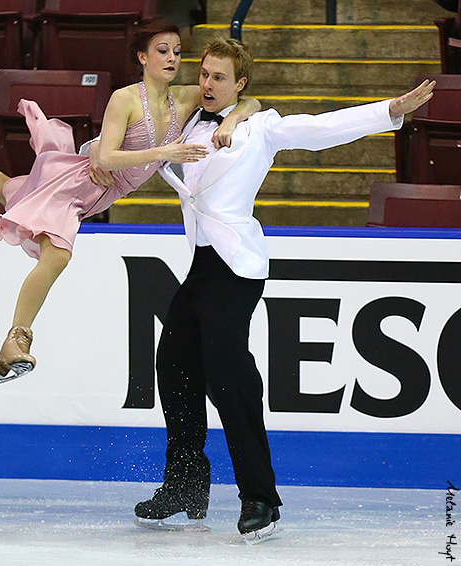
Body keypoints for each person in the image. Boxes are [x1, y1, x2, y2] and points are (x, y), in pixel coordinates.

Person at [129, 37, 435, 543]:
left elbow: (319, 129)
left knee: (229, 376)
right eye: (204, 74)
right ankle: (185, 484)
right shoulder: (186, 120)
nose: (207, 83)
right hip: (201, 264)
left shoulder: (261, 127)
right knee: (174, 363)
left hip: (236, 265)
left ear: (240, 84)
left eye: (219, 77)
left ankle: (260, 498)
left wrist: (388, 111)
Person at [0, 20, 261, 387]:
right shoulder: (125, 99)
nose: (172, 59)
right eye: (162, 51)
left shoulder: (185, 97)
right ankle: (16, 339)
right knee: (57, 256)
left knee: (6, 188)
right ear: (142, 57)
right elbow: (108, 157)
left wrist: (232, 121)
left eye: (177, 52)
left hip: (95, 193)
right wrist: (161, 152)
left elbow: (251, 100)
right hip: (77, 187)